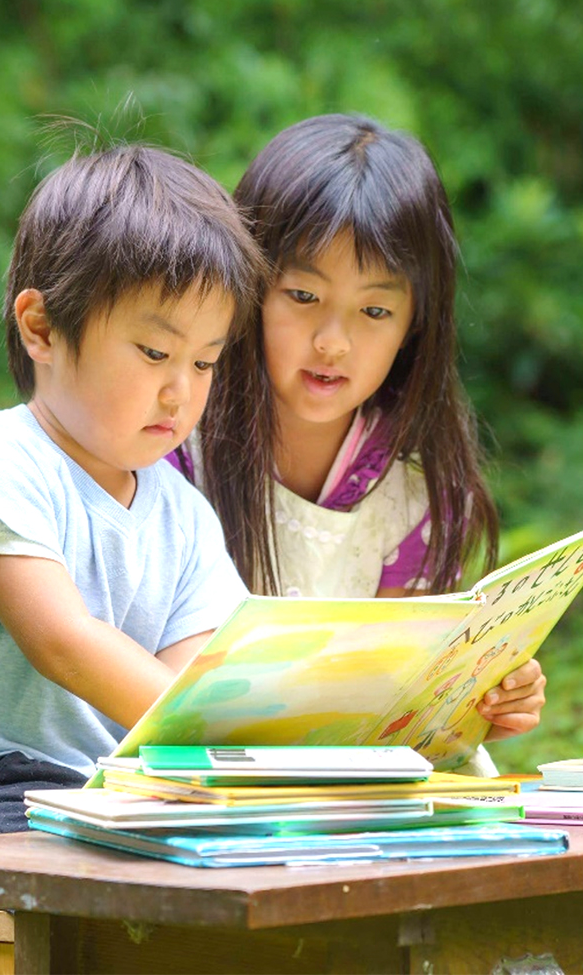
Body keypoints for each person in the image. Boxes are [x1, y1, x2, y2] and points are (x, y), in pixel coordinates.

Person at [0, 144, 268, 840]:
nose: (182, 391)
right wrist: (230, 736)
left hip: (101, 788)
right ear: (42, 328)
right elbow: (63, 643)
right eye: (154, 353)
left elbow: (186, 689)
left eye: (205, 362)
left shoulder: (184, 512)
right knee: (118, 862)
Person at [173, 114, 546, 773]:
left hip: (342, 791)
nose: (333, 342)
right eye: (303, 295)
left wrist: (479, 696)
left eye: (375, 311)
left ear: (414, 324)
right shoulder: (173, 446)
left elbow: (392, 707)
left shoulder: (410, 494)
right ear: (247, 284)